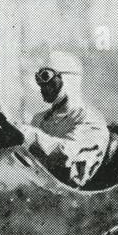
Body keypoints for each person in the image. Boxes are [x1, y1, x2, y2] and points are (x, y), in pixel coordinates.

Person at [13, 51, 110, 188]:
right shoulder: (39, 119)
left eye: (46, 77)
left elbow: (65, 156)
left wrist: (27, 134)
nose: (42, 87)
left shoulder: (91, 120)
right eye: (39, 80)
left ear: (69, 79)